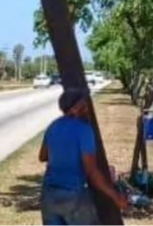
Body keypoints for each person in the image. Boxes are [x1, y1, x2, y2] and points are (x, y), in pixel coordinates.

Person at [39, 87, 128, 225]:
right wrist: (116, 197)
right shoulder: (84, 129)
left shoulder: (53, 126)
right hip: (73, 196)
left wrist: (63, 152)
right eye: (83, 106)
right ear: (73, 108)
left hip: (49, 194)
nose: (87, 109)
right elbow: (91, 172)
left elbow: (43, 156)